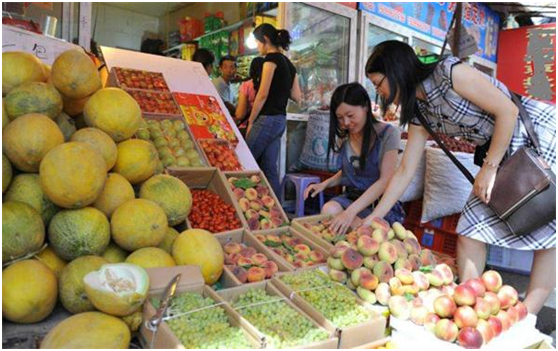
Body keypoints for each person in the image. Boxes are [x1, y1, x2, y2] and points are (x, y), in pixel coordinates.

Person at [363, 40, 556, 315]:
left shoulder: (449, 73)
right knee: (470, 229)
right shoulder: (420, 112)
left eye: (378, 82)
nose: (378, 91)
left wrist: (489, 169)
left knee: (546, 227)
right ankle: (473, 308)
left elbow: (508, 111)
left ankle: (526, 317)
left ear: (395, 71)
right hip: (502, 150)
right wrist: (375, 217)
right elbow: (405, 170)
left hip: (535, 134)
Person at [303, 83, 405, 235]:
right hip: (351, 198)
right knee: (328, 210)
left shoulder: (388, 134)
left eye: (350, 116)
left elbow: (385, 181)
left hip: (378, 205)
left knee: (361, 231)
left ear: (365, 107)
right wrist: (324, 184)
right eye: (340, 118)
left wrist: (350, 213)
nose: (345, 123)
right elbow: (350, 171)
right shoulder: (344, 137)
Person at [245, 23, 301, 197]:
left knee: (245, 162)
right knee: (270, 169)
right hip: (279, 121)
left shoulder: (270, 60)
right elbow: (297, 96)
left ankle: (241, 206)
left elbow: (262, 95)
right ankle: (279, 212)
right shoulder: (290, 65)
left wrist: (251, 121)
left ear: (266, 40)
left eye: (257, 42)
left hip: (266, 119)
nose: (257, 46)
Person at [235, 57, 265, 137]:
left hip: (248, 128)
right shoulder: (270, 86)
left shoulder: (246, 85)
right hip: (266, 127)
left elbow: (240, 114)